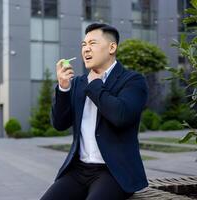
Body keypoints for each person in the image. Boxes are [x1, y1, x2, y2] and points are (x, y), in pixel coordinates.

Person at [40, 23, 149, 200]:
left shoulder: (133, 81)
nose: (86, 49)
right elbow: (59, 124)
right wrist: (63, 88)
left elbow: (120, 116)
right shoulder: (77, 83)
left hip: (114, 172)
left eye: (93, 43)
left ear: (112, 47)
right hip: (78, 170)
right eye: (84, 45)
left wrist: (95, 85)